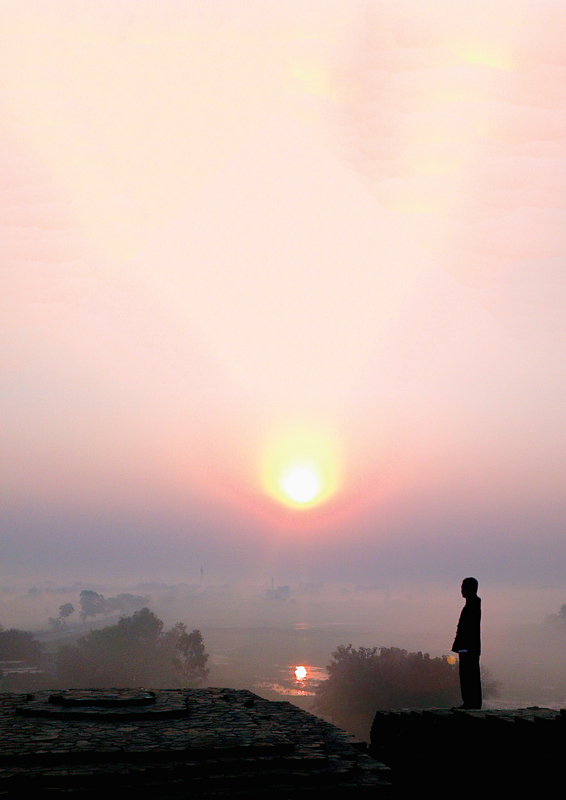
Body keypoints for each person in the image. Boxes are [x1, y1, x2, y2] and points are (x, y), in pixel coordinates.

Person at [452, 577, 482, 709]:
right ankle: (471, 702)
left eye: (462, 587)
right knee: (471, 675)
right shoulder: (473, 603)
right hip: (471, 648)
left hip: (468, 649)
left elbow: (467, 629)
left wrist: (463, 648)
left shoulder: (472, 605)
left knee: (468, 676)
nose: (461, 591)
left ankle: (470, 703)